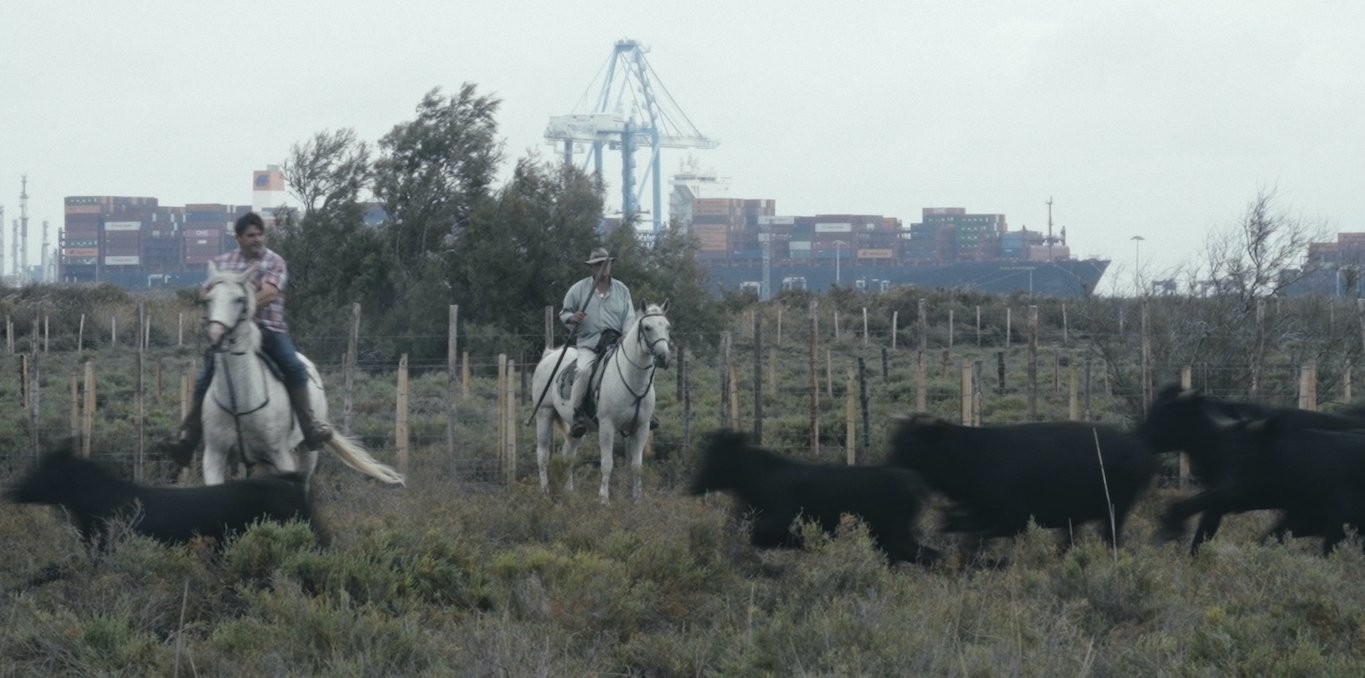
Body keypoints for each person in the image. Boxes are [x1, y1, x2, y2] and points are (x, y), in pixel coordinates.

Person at [160, 211, 332, 465]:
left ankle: (310, 427)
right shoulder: (223, 262)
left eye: (260, 234)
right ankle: (188, 436)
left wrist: (241, 307)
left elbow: (270, 294)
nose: (257, 239)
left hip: (269, 330)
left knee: (294, 367)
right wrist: (213, 300)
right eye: (251, 235)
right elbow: (206, 292)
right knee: (205, 376)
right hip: (231, 335)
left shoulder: (275, 262)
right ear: (238, 238)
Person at [559, 247, 648, 438]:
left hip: (616, 343)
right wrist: (572, 317)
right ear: (592, 268)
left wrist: (626, 333)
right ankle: (577, 414)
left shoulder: (622, 290)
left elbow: (629, 316)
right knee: (583, 370)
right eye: (598, 264)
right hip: (589, 344)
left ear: (610, 265)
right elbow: (563, 313)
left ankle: (646, 412)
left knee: (639, 367)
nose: (602, 268)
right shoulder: (578, 289)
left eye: (606, 264)